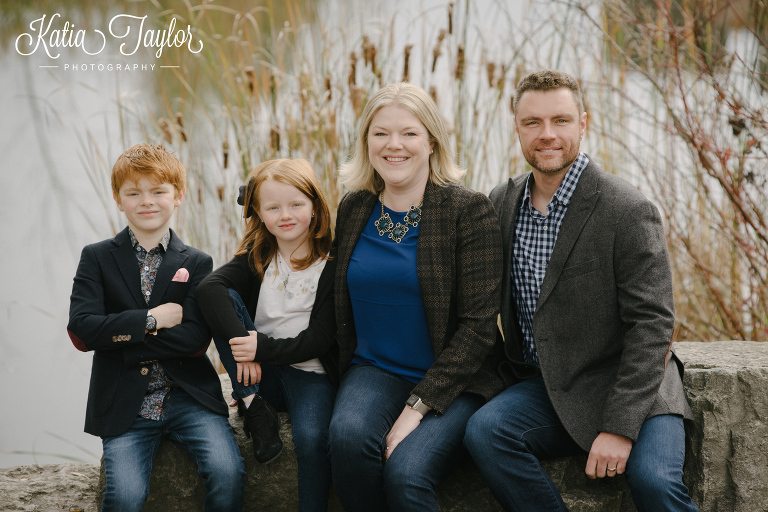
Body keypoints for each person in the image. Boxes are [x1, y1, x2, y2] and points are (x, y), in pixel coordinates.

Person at [464, 69, 699, 511]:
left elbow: (653, 327)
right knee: (486, 431)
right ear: (516, 128)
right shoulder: (500, 202)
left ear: (583, 124)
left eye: (561, 120)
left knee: (654, 483)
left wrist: (619, 428)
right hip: (551, 387)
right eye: (532, 122)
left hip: (634, 387)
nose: (547, 134)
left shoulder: (626, 209)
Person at [329, 82, 504, 511]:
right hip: (374, 369)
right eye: (380, 133)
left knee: (406, 473)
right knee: (348, 439)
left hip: (454, 379)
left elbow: (479, 328)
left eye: (408, 133)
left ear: (431, 141)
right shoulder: (354, 207)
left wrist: (417, 408)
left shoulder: (469, 211)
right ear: (366, 141)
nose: (394, 145)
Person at [67, 143, 244, 511]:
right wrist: (151, 320)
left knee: (228, 473)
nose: (147, 202)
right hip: (123, 404)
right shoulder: (97, 257)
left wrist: (116, 338)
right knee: (125, 496)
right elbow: (82, 330)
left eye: (158, 191)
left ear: (178, 196)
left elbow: (195, 339)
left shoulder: (196, 262)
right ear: (119, 199)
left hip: (188, 397)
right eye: (134, 193)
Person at [196, 158, 337, 512]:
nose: (285, 215)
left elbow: (320, 340)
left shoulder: (332, 263)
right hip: (262, 377)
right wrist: (251, 351)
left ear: (315, 206)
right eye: (273, 207)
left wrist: (261, 348)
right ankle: (251, 405)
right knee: (222, 298)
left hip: (310, 375)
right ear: (258, 213)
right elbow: (209, 289)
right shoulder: (260, 255)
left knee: (311, 438)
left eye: (296, 205)